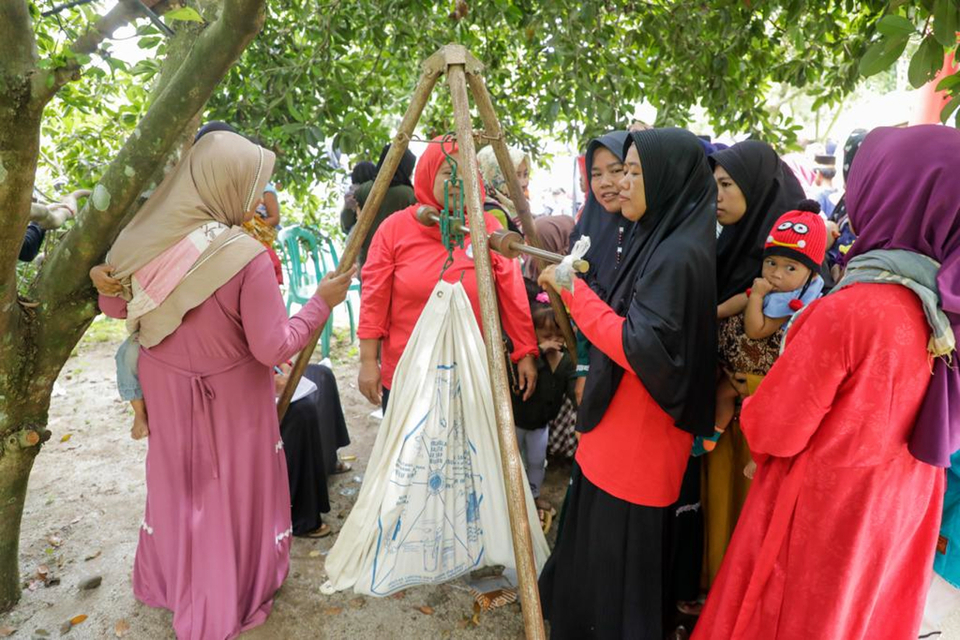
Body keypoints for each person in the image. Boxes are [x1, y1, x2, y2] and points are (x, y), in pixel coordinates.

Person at [693, 124, 956, 640]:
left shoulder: (854, 309)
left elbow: (774, 430)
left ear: (891, 195)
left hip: (823, 518)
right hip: (894, 513)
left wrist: (744, 400)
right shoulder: (943, 307)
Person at [93, 130, 355, 639]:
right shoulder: (244, 257)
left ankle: (172, 583)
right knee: (229, 488)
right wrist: (321, 302)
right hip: (231, 395)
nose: (256, 199)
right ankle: (227, 588)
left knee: (177, 482)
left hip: (164, 386)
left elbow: (114, 307)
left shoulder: (143, 238)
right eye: (254, 186)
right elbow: (273, 349)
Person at [537, 128, 717, 640]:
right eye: (620, 171)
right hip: (619, 425)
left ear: (666, 179)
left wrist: (574, 292)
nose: (623, 184)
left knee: (621, 563)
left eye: (635, 173)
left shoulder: (679, 254)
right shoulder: (659, 236)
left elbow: (637, 346)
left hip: (638, 436)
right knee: (601, 550)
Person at [357, 136, 538, 411]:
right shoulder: (394, 229)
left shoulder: (487, 228)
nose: (457, 182)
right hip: (409, 373)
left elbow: (512, 294)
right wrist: (368, 361)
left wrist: (525, 352)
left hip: (473, 373)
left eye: (467, 173)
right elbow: (374, 298)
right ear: (428, 174)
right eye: (447, 172)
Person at [704, 139, 806, 584]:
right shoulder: (723, 248)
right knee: (717, 512)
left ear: (756, 188)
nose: (717, 196)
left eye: (727, 184)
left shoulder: (793, 267)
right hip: (721, 418)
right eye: (714, 185)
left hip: (762, 422)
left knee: (748, 516)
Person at [708, 203, 827, 470]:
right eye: (771, 262)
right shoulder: (775, 288)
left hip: (770, 378)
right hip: (741, 372)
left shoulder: (794, 302)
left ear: (811, 273)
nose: (776, 273)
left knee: (762, 412)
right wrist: (714, 313)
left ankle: (757, 455)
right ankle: (712, 435)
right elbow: (741, 299)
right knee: (723, 394)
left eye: (790, 268)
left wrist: (759, 296)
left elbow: (756, 329)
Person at [510, 284, 577, 530]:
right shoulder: (528, 359)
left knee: (538, 461)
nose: (553, 342)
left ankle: (533, 496)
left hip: (541, 425)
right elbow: (516, 382)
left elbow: (573, 389)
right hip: (517, 421)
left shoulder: (566, 362)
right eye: (545, 336)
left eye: (558, 336)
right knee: (513, 459)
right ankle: (512, 497)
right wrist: (538, 351)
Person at [274, 362, 352, 539]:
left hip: (266, 370)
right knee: (301, 411)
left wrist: (284, 365)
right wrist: (268, 382)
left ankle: (328, 459)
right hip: (237, 392)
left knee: (322, 374)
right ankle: (300, 516)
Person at [339, 144, 417, 268]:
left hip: (368, 263)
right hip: (402, 263)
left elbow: (346, 224)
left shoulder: (360, 191)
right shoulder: (409, 194)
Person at [477, 144, 530, 234]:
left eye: (525, 174)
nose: (524, 183)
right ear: (495, 177)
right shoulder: (494, 213)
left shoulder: (516, 208)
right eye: (516, 175)